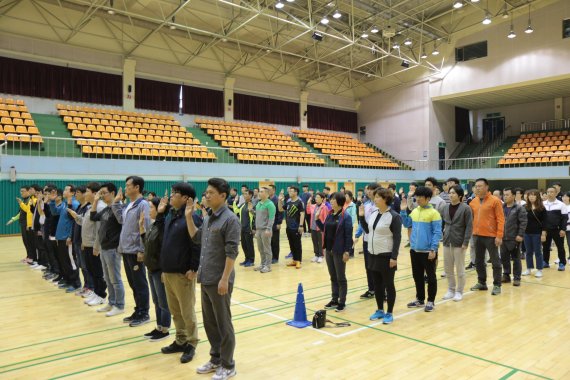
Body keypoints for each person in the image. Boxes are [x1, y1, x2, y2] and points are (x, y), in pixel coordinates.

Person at [187, 178, 240, 380]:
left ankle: (228, 365)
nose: (206, 195)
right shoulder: (209, 218)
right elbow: (197, 238)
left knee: (224, 324)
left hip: (220, 280)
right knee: (210, 323)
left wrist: (225, 279)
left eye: (210, 192)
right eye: (206, 192)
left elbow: (232, 252)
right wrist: (189, 217)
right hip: (206, 277)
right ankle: (216, 358)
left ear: (223, 196)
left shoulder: (230, 220)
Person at [160, 183, 202, 363]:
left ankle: (191, 343)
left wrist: (193, 268)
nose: (171, 196)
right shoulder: (171, 215)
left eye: (175, 194)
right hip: (168, 272)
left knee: (187, 312)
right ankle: (180, 339)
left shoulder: (192, 218)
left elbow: (197, 245)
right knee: (175, 311)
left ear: (186, 198)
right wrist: (164, 268)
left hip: (183, 274)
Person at [112, 176, 152, 327]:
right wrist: (116, 202)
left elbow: (146, 228)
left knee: (140, 283)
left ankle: (144, 313)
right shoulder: (129, 205)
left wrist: (142, 249)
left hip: (136, 250)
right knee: (133, 283)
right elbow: (121, 220)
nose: (126, 188)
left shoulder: (143, 205)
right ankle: (138, 310)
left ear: (137, 187)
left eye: (128, 186)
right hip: (126, 249)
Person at [359, 188, 402, 324]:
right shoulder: (374, 213)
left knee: (389, 285)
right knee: (377, 285)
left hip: (386, 255)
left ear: (385, 199)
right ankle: (379, 310)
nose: (375, 199)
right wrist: (361, 217)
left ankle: (389, 312)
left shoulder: (394, 216)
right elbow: (367, 230)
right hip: (373, 254)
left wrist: (394, 257)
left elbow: (397, 238)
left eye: (377, 197)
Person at [400, 186, 442, 312]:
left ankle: (431, 301)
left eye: (420, 197)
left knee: (431, 277)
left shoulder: (434, 213)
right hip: (415, 250)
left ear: (428, 198)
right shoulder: (415, 211)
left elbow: (437, 232)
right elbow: (407, 224)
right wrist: (403, 211)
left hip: (428, 251)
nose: (417, 199)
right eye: (416, 196)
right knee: (417, 276)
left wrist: (433, 249)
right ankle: (420, 299)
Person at [68, 182, 107, 306]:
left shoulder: (100, 207)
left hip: (94, 247)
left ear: (95, 194)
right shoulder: (91, 206)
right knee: (92, 270)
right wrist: (76, 217)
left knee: (97, 272)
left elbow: (99, 230)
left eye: (88, 192)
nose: (85, 194)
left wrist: (96, 246)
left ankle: (101, 295)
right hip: (88, 244)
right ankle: (96, 292)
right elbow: (86, 224)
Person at [140, 194, 172, 342]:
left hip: (159, 269)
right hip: (151, 268)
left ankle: (165, 329)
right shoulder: (153, 225)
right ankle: (159, 326)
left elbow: (165, 248)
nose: (149, 210)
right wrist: (141, 229)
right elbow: (149, 243)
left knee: (163, 302)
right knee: (156, 300)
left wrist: (165, 270)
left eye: (151, 207)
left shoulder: (163, 225)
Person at [90, 183, 125, 317]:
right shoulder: (106, 210)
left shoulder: (118, 208)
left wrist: (117, 202)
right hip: (104, 248)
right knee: (108, 278)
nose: (102, 195)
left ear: (112, 193)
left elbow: (122, 222)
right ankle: (111, 302)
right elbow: (93, 217)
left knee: (115, 278)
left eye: (104, 192)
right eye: (101, 193)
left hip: (113, 248)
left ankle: (120, 305)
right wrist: (95, 200)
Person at [317, 192, 353, 313]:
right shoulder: (330, 214)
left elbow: (348, 236)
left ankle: (342, 302)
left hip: (339, 251)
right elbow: (324, 229)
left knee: (340, 277)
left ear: (340, 201)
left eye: (333, 199)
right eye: (331, 199)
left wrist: (347, 251)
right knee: (333, 277)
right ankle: (334, 299)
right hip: (329, 250)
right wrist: (317, 220)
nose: (331, 201)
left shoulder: (346, 216)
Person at [469, 178, 505, 296]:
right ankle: (482, 282)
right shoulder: (473, 202)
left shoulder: (495, 201)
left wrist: (499, 236)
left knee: (495, 261)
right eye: (476, 186)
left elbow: (501, 219)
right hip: (477, 235)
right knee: (478, 261)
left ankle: (497, 285)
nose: (477, 188)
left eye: (480, 186)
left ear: (486, 187)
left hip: (491, 236)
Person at [441, 185, 472, 302]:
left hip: (459, 242)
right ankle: (451, 289)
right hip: (447, 241)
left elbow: (469, 226)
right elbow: (443, 223)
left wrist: (466, 241)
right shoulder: (445, 207)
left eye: (453, 193)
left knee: (460, 269)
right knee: (448, 268)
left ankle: (459, 291)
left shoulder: (466, 208)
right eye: (450, 193)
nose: (451, 195)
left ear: (460, 196)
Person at [49, 185, 81, 292]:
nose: (64, 191)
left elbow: (75, 222)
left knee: (71, 261)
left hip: (67, 238)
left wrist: (70, 236)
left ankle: (76, 283)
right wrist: (52, 201)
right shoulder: (64, 204)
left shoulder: (75, 204)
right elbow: (54, 212)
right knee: (64, 261)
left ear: (72, 193)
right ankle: (68, 280)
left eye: (67, 189)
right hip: (60, 237)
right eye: (64, 189)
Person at [500, 188, 527, 287]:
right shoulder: (501, 207)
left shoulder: (519, 208)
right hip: (503, 237)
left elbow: (523, 222)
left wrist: (520, 235)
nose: (505, 197)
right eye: (504, 195)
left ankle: (516, 278)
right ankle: (506, 275)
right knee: (504, 258)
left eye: (507, 195)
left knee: (516, 259)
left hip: (514, 238)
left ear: (513, 196)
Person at [359, 182, 379, 299]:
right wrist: (357, 234)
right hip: (367, 239)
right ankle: (371, 289)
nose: (369, 191)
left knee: (378, 267)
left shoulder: (380, 206)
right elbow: (363, 225)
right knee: (368, 266)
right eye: (369, 189)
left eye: (372, 189)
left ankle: (382, 289)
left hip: (377, 240)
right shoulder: (366, 205)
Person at [278, 186, 305, 269]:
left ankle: (298, 261)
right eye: (289, 191)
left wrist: (301, 225)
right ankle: (294, 260)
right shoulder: (289, 202)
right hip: (288, 227)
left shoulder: (300, 202)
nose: (289, 192)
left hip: (296, 227)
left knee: (297, 245)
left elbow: (302, 214)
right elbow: (280, 209)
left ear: (296, 192)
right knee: (291, 244)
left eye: (291, 191)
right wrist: (279, 201)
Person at [542, 186, 568, 270]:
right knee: (545, 247)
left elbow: (564, 218)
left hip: (557, 230)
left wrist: (563, 229)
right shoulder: (542, 204)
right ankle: (545, 262)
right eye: (548, 192)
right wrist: (542, 230)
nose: (549, 193)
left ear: (556, 193)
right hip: (545, 230)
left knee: (560, 247)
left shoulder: (561, 204)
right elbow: (541, 218)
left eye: (552, 192)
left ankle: (562, 263)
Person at [523, 189, 546, 278]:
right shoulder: (525, 207)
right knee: (528, 252)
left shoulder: (541, 208)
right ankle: (529, 268)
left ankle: (539, 269)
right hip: (526, 233)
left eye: (533, 195)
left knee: (538, 252)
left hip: (537, 233)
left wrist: (543, 234)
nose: (531, 197)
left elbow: (544, 222)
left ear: (537, 197)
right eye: (530, 195)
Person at [254, 187, 276, 273]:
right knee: (260, 248)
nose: (259, 193)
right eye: (259, 191)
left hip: (265, 230)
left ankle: (268, 266)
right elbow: (258, 216)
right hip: (258, 230)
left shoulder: (270, 204)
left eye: (262, 192)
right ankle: (262, 264)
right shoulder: (259, 203)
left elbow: (271, 218)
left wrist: (268, 228)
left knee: (267, 249)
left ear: (267, 194)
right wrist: (251, 211)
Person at [234, 189, 255, 267]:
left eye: (246, 194)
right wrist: (234, 202)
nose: (244, 195)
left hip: (248, 228)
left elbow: (254, 218)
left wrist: (253, 228)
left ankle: (251, 260)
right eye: (244, 194)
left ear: (250, 195)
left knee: (249, 245)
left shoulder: (252, 204)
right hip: (242, 228)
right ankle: (247, 259)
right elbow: (236, 211)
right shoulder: (243, 204)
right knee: (244, 245)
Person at [306, 192, 329, 263]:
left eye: (318, 197)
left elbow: (325, 218)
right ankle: (316, 255)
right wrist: (308, 203)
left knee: (321, 242)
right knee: (314, 241)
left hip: (320, 228)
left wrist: (324, 229)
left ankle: (321, 255)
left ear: (322, 199)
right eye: (316, 197)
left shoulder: (324, 207)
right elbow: (308, 212)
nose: (316, 199)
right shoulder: (313, 206)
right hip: (313, 227)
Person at [268, 184, 283, 264]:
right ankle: (270, 256)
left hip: (275, 223)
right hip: (268, 223)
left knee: (275, 241)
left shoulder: (277, 199)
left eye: (269, 189)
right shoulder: (267, 199)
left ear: (273, 190)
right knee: (269, 241)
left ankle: (275, 257)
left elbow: (280, 212)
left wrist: (279, 223)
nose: (268, 191)